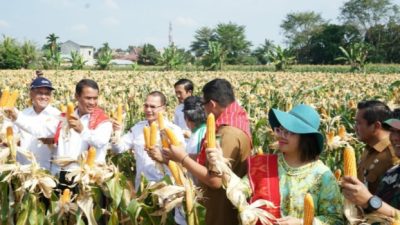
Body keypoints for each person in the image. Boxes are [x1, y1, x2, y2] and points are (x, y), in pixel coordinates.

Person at [206, 104, 344, 224]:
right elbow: (239, 191)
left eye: (289, 131)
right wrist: (221, 165)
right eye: (280, 129)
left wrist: (302, 223)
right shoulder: (263, 165)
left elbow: (335, 220)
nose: (281, 135)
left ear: (306, 138)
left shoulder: (323, 176)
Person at [158, 79, 252, 225]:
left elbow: (215, 181)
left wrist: (183, 158)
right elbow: (210, 162)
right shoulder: (237, 119)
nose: (203, 109)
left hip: (220, 210)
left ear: (212, 104)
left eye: (203, 104)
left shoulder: (227, 133)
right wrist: (178, 156)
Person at [111, 91, 186, 190]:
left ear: (163, 108)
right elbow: (118, 149)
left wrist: (163, 159)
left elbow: (183, 161)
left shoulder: (174, 130)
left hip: (167, 188)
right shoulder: (138, 128)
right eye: (146, 106)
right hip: (142, 187)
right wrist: (116, 132)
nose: (148, 110)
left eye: (153, 107)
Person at [342, 117, 400, 219]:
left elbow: (375, 204)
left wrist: (369, 200)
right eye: (393, 131)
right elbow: (379, 211)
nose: (395, 137)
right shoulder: (392, 173)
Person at [53, 79, 112, 178]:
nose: (92, 102)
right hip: (63, 174)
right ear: (77, 96)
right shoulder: (63, 118)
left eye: (95, 98)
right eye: (88, 98)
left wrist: (82, 130)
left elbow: (100, 142)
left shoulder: (104, 121)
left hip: (89, 177)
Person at [5, 77, 60, 172]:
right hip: (22, 170)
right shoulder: (23, 114)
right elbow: (11, 137)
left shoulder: (57, 115)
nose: (44, 97)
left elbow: (42, 132)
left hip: (46, 172)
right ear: (31, 94)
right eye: (39, 93)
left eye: (47, 93)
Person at [355, 100, 399, 193]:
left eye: (359, 123)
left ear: (376, 126)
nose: (355, 127)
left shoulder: (393, 155)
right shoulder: (369, 148)